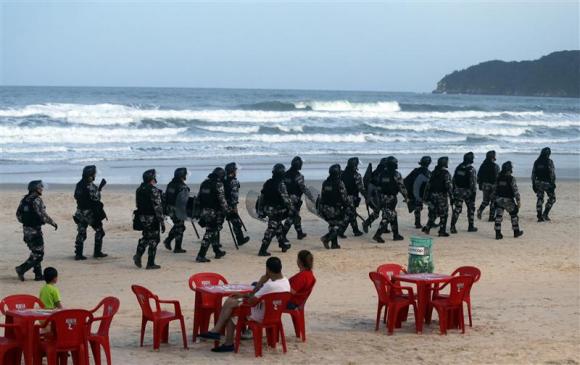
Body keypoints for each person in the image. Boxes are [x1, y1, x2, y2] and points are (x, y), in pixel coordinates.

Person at [199, 257, 290, 353]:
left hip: (260, 315)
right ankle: (218, 333)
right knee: (232, 304)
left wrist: (260, 283)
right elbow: (256, 297)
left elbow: (251, 301)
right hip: (275, 314)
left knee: (231, 306)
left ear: (267, 269)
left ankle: (222, 336)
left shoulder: (269, 286)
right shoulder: (286, 282)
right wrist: (243, 295)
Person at [15, 180, 58, 282]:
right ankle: (21, 269)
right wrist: (53, 223)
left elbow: (18, 215)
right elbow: (43, 216)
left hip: (26, 230)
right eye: (40, 187)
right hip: (35, 231)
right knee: (39, 254)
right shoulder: (37, 200)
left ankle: (38, 275)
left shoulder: (24, 199)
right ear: (35, 189)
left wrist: (27, 223)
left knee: (35, 252)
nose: (42, 189)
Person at [73, 165, 107, 260]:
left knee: (81, 233)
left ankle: (78, 254)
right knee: (100, 231)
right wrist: (99, 189)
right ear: (91, 175)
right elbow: (96, 198)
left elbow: (76, 196)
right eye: (94, 174)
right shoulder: (90, 186)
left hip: (79, 212)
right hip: (89, 214)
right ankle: (97, 252)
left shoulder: (79, 184)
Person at [258, 164, 293, 256]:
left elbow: (262, 197)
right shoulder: (281, 184)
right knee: (271, 229)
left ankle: (283, 245)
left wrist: (260, 209)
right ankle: (262, 250)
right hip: (276, 210)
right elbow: (286, 199)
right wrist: (291, 208)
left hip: (267, 209)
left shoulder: (268, 182)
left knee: (278, 227)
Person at [133, 169, 165, 270]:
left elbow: (138, 203)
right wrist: (162, 221)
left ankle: (138, 255)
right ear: (152, 178)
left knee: (146, 236)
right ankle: (150, 263)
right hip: (152, 217)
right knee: (155, 239)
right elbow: (158, 207)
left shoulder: (139, 189)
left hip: (141, 217)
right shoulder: (153, 190)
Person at [195, 167, 229, 262]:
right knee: (210, 232)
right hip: (214, 212)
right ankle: (201, 255)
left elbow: (198, 198)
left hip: (204, 211)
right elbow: (222, 200)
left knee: (213, 230)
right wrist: (227, 211)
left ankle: (217, 251)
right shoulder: (218, 184)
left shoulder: (205, 183)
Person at [371, 156, 407, 243]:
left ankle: (396, 234)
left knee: (393, 215)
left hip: (382, 197)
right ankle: (377, 235)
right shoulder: (396, 174)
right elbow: (402, 187)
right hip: (391, 198)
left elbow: (377, 186)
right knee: (388, 217)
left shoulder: (381, 174)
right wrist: (406, 197)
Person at [281, 156, 315, 242]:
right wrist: (312, 198)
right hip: (294, 200)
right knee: (291, 218)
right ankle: (283, 235)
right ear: (299, 165)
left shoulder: (284, 174)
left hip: (284, 199)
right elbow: (303, 189)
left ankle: (300, 233)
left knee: (296, 216)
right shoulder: (298, 176)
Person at [319, 164, 352, 249]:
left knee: (332, 224)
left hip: (325, 208)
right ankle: (326, 238)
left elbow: (322, 196)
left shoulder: (325, 183)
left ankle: (334, 244)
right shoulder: (339, 183)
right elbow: (344, 198)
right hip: (335, 209)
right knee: (341, 224)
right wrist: (349, 203)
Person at [422, 157, 453, 237]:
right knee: (444, 213)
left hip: (432, 195)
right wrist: (451, 197)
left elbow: (428, 185)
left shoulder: (433, 172)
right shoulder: (446, 173)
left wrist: (425, 197)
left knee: (433, 212)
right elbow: (448, 186)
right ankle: (442, 231)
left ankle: (428, 228)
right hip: (441, 196)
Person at [494, 161, 524, 240]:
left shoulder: (498, 177)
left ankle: (497, 233)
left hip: (499, 199)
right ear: (509, 169)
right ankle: (516, 232)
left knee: (498, 216)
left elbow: (495, 189)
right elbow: (515, 190)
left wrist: (494, 199)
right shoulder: (511, 179)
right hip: (508, 201)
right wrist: (518, 200)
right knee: (514, 215)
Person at [450, 152, 478, 233]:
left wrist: (453, 190)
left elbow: (453, 180)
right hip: (467, 192)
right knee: (471, 209)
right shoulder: (471, 169)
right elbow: (473, 183)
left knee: (457, 209)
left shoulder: (458, 167)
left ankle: (452, 226)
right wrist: (473, 193)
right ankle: (471, 226)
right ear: (471, 159)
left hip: (458, 191)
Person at [163, 167, 189, 253]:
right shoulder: (183, 186)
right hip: (177, 210)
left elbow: (166, 196)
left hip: (169, 208)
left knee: (178, 226)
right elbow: (184, 201)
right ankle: (177, 247)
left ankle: (169, 241)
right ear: (182, 176)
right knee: (180, 227)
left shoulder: (170, 184)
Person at [339, 157, 366, 237]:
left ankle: (356, 230)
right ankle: (340, 231)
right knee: (348, 214)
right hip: (351, 198)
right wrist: (366, 196)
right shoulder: (357, 176)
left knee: (352, 214)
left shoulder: (341, 173)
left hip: (341, 197)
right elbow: (361, 188)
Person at [362, 158, 391, 234]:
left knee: (382, 212)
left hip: (375, 195)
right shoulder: (382, 172)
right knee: (382, 212)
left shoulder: (377, 171)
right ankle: (366, 223)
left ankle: (382, 227)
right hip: (378, 196)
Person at [224, 162, 250, 246]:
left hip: (221, 204)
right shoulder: (234, 181)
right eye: (235, 170)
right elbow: (234, 195)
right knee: (236, 223)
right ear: (233, 171)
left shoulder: (223, 179)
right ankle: (240, 240)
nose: (236, 171)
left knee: (217, 224)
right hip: (230, 205)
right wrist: (235, 207)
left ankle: (214, 242)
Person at [404, 156, 432, 229]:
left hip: (414, 192)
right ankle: (430, 221)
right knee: (431, 206)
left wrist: (408, 192)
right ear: (429, 163)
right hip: (422, 193)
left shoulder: (415, 170)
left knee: (417, 208)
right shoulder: (428, 173)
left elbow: (406, 180)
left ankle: (417, 223)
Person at [532, 147, 556, 222]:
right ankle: (545, 214)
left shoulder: (536, 162)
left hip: (538, 183)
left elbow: (533, 174)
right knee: (552, 198)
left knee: (540, 198)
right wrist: (553, 184)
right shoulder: (549, 161)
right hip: (547, 183)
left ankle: (539, 216)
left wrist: (533, 184)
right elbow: (552, 174)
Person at [477, 150, 500, 222]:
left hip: (484, 185)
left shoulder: (483, 165)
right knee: (493, 201)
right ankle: (491, 217)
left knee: (485, 201)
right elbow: (498, 177)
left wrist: (480, 185)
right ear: (493, 157)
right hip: (493, 186)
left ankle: (480, 210)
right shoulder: (495, 166)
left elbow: (479, 176)